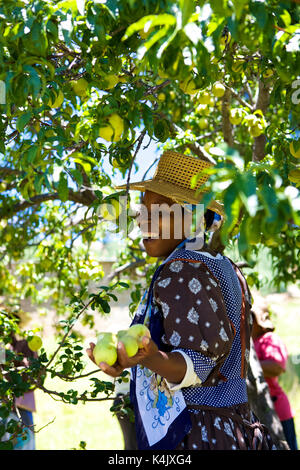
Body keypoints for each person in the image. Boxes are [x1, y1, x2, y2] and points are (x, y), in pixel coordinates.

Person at [87, 150, 275, 450]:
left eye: (158, 212)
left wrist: (148, 357)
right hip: (228, 426)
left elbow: (196, 363)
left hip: (197, 431)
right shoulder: (221, 265)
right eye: (143, 211)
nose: (142, 221)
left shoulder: (181, 270)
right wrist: (128, 360)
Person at [251, 296, 298, 451]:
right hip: (262, 412)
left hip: (277, 411)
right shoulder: (252, 343)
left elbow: (277, 366)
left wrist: (249, 365)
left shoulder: (269, 339)